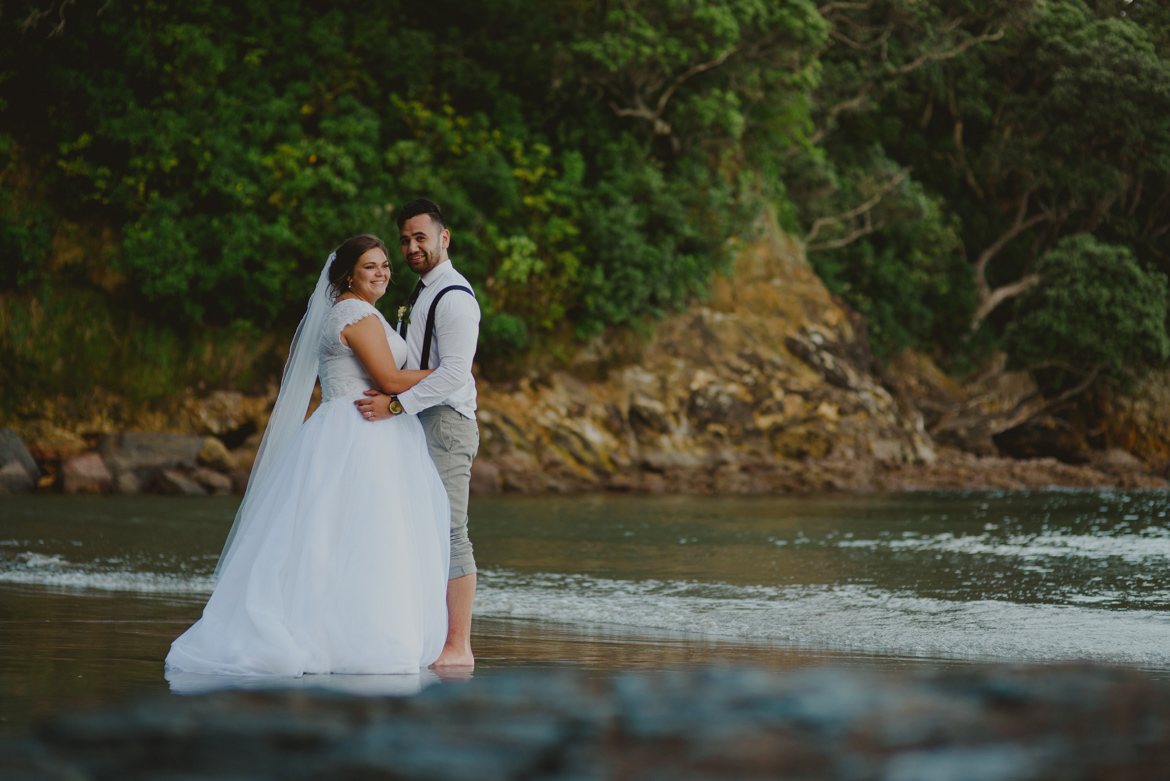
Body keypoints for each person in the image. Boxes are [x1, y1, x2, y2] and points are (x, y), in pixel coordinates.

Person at [165, 234, 452, 676]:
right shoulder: (354, 313)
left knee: (352, 537)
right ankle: (343, 639)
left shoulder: (363, 312)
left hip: (368, 430)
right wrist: (450, 373)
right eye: (370, 266)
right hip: (356, 432)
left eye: (385, 265)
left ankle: (351, 633)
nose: (382, 273)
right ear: (348, 274)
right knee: (348, 536)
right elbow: (390, 380)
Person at [357, 199, 481, 669]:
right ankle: (426, 636)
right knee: (418, 531)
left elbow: (453, 375)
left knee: (451, 533)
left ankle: (458, 647)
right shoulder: (422, 289)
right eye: (405, 240)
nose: (411, 247)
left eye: (420, 238)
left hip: (446, 423)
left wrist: (394, 404)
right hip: (419, 421)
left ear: (444, 238)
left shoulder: (455, 297)